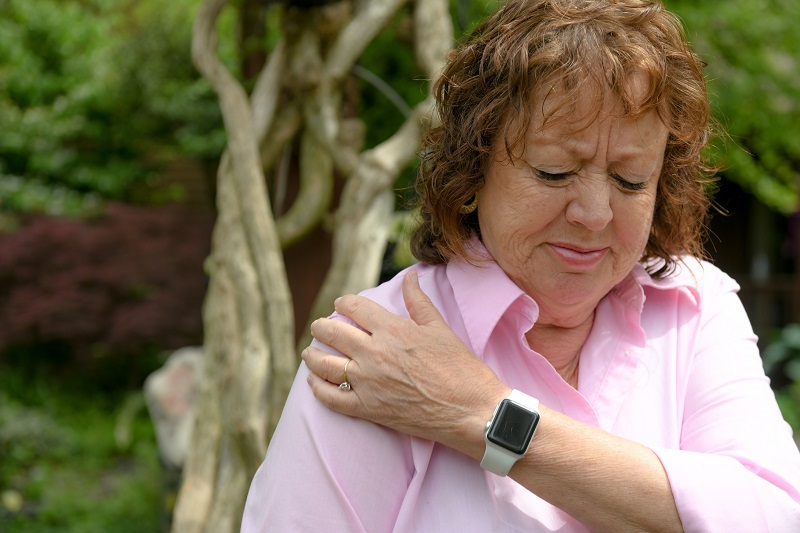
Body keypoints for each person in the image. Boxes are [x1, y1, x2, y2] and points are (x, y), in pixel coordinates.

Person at [242, 0, 800, 530]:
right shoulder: (378, 349)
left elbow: (776, 514)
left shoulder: (693, 306)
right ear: (473, 168)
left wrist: (483, 414)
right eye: (555, 172)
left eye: (632, 180)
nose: (594, 213)